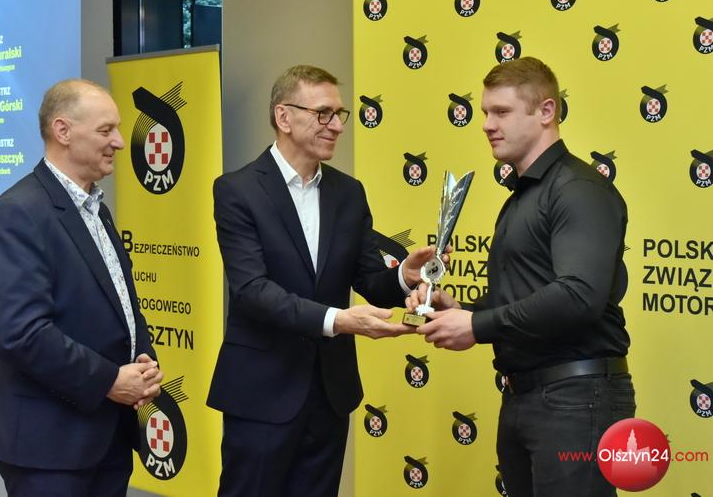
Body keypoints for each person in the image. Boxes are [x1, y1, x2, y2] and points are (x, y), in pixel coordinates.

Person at [407, 57, 635, 496]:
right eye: (484, 112)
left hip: (576, 400)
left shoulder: (578, 190)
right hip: (525, 396)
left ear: (546, 111)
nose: (487, 125)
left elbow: (578, 296)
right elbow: (526, 295)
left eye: (502, 112)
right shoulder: (521, 197)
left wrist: (477, 326)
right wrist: (460, 310)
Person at [207, 64, 437, 497]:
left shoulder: (348, 193)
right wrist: (339, 320)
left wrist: (404, 278)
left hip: (330, 392)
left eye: (339, 114)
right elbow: (252, 291)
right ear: (284, 116)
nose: (336, 126)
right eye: (323, 114)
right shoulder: (237, 190)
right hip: (262, 390)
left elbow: (370, 277)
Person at [0, 79, 163, 497]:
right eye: (105, 130)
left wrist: (143, 357)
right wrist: (110, 380)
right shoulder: (17, 213)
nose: (119, 141)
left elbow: (120, 300)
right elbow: (23, 333)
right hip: (47, 442)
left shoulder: (97, 210)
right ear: (62, 131)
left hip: (105, 431)